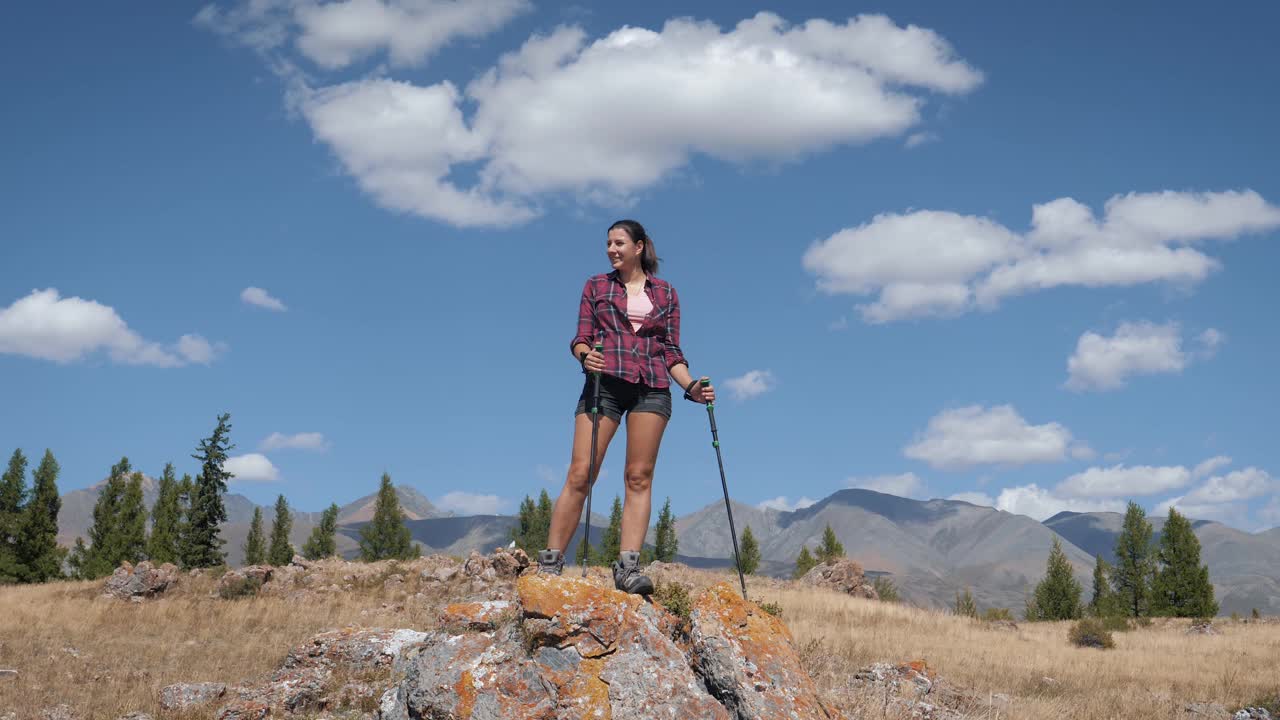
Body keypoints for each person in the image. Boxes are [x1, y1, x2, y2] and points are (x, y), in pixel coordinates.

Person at [538, 219, 715, 594]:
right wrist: (585, 357)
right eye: (608, 244)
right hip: (604, 385)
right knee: (581, 473)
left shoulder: (666, 293)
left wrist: (692, 387)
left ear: (639, 247)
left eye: (619, 243)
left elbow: (671, 351)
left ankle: (628, 569)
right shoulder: (596, 286)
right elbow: (580, 338)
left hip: (652, 386)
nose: (611, 250)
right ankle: (550, 563)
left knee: (639, 477)